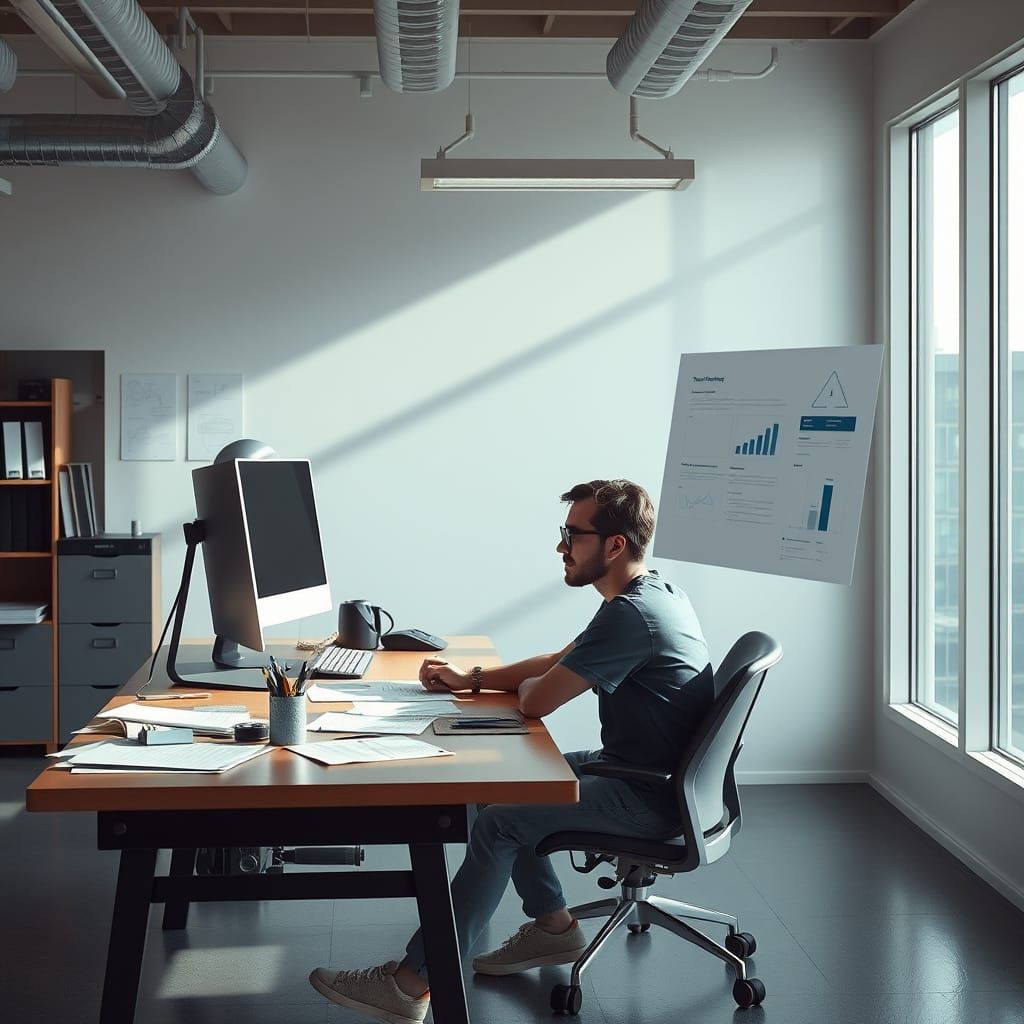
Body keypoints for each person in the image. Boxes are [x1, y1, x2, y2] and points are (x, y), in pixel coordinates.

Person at [309, 479, 713, 1024]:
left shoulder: (630, 615)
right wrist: (470, 679)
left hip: (648, 795)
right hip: (647, 772)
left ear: (614, 545)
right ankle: (554, 929)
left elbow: (537, 700)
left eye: (573, 534)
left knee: (501, 823)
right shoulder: (648, 594)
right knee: (499, 791)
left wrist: (524, 690)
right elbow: (558, 658)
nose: (560, 546)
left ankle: (411, 986)